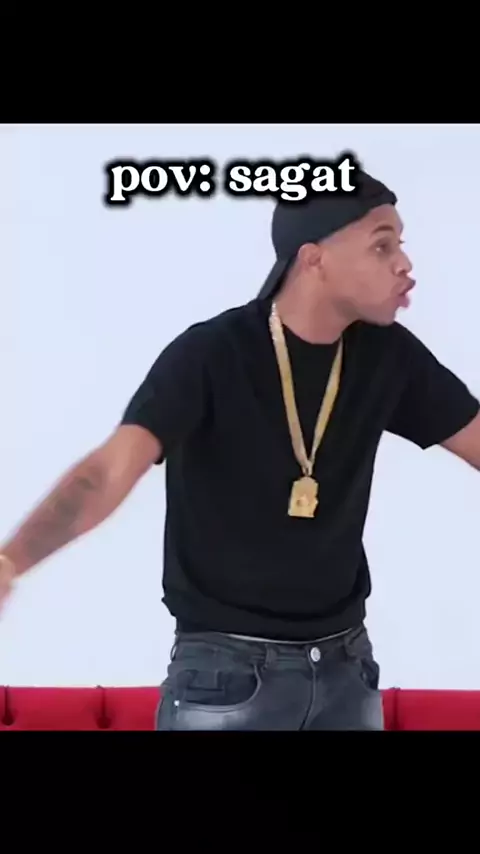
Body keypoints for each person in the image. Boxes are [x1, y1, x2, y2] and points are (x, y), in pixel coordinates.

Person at [1, 169, 479, 730]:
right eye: (382, 246)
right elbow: (107, 473)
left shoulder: (388, 355)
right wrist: (12, 561)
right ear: (314, 259)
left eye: (400, 244)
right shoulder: (212, 355)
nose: (405, 264)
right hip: (227, 676)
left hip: (347, 670)